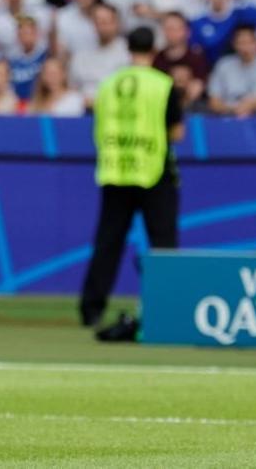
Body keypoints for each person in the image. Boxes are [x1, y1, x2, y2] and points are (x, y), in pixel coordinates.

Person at [79, 27, 184, 337]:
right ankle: (167, 307)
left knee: (107, 243)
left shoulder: (109, 85)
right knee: (162, 244)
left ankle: (91, 309)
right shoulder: (163, 85)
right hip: (153, 170)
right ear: (155, 49)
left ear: (127, 48)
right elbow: (176, 132)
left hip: (116, 170)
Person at [207, 25, 256, 118]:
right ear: (234, 44)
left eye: (249, 42)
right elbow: (213, 102)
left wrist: (235, 108)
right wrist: (231, 110)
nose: (245, 47)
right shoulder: (223, 65)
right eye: (241, 43)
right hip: (225, 119)